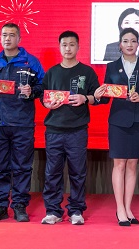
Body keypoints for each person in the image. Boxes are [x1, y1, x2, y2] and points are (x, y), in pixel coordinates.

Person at [0, 23, 44, 222]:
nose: (7, 38)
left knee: (22, 166)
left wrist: (32, 91)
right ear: (0, 38)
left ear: (19, 39)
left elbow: (43, 87)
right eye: (4, 35)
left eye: (11, 35)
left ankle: (19, 205)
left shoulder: (31, 62)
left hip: (22, 123)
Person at [94, 28, 139, 226]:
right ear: (120, 44)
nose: (130, 44)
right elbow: (106, 97)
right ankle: (119, 208)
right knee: (119, 163)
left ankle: (128, 208)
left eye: (133, 41)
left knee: (132, 164)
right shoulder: (112, 67)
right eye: (126, 41)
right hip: (118, 120)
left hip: (138, 119)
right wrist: (98, 95)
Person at [40, 31, 101, 226]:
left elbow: (99, 97)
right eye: (64, 45)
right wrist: (47, 104)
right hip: (54, 130)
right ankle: (53, 210)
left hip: (77, 130)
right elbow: (43, 96)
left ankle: (76, 210)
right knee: (52, 172)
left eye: (72, 44)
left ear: (78, 47)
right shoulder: (51, 72)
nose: (68, 48)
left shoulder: (87, 72)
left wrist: (85, 98)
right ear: (59, 47)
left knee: (77, 172)